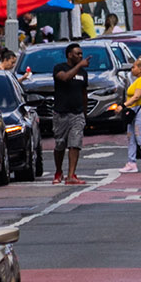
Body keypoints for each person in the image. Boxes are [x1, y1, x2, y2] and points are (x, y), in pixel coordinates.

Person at [48, 43, 90, 183]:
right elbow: (65, 78)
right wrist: (79, 66)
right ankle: (58, 172)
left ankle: (71, 175)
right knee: (60, 145)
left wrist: (85, 113)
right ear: (69, 55)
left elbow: (84, 93)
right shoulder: (59, 68)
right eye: (77, 54)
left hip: (77, 113)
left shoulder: (83, 73)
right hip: (61, 113)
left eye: (81, 54)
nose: (80, 56)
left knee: (75, 144)